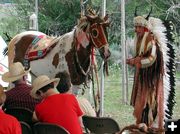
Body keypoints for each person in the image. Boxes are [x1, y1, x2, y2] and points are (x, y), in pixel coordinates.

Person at [126, 8, 175, 131]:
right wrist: (134, 61)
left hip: (152, 81)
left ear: (145, 28)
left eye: (139, 27)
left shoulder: (151, 40)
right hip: (144, 79)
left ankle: (150, 127)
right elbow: (142, 56)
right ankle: (143, 125)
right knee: (142, 104)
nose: (136, 30)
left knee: (150, 104)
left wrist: (136, 62)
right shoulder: (141, 40)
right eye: (135, 27)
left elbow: (152, 58)